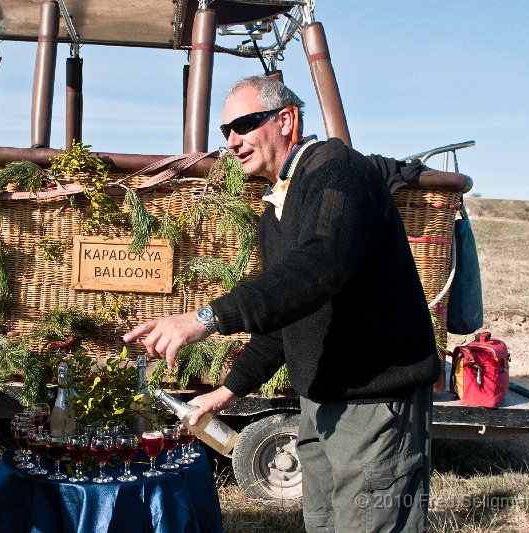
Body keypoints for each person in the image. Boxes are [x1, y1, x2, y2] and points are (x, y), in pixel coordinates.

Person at [124, 75, 439, 532]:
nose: (232, 141)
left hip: (375, 406)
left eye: (245, 124)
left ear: (286, 120)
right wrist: (228, 390)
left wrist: (206, 318)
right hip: (320, 404)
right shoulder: (277, 207)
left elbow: (319, 267)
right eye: (225, 131)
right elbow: (287, 310)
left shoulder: (338, 172)